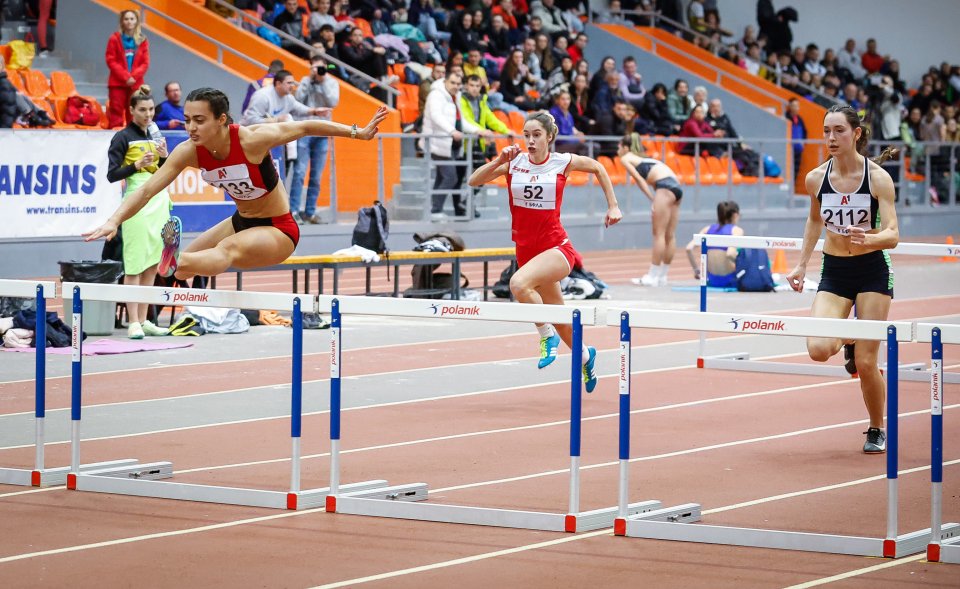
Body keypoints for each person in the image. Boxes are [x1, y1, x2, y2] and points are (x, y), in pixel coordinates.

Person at [84, 88, 388, 282]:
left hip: (278, 229)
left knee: (223, 249)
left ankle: (166, 260)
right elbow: (148, 189)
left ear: (221, 119)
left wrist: (357, 132)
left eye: (199, 120)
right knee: (190, 264)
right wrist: (114, 220)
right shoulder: (190, 151)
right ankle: (169, 264)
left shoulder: (252, 140)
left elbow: (305, 126)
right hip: (240, 221)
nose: (191, 127)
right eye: (187, 119)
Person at [467, 110, 622, 392]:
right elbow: (474, 180)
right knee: (562, 319)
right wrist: (499, 161)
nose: (531, 141)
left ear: (550, 137)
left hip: (557, 249)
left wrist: (613, 205)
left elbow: (599, 168)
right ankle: (587, 356)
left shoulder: (563, 162)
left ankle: (544, 335)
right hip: (527, 252)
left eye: (537, 135)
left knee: (517, 284)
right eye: (526, 135)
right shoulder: (515, 163)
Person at [785, 104, 900, 454]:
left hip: (872, 272)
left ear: (856, 134)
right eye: (826, 131)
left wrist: (871, 238)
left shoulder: (878, 177)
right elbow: (814, 221)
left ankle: (876, 428)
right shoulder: (816, 178)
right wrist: (801, 264)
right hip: (834, 270)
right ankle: (851, 336)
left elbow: (893, 234)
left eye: (839, 131)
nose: (831, 138)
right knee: (818, 349)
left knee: (867, 363)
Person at [105, 86, 172, 339]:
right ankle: (133, 321)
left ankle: (144, 320)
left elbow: (162, 172)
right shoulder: (122, 137)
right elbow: (112, 175)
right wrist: (135, 165)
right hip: (136, 199)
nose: (148, 114)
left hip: (158, 199)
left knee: (152, 264)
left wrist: (163, 158)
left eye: (151, 109)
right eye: (142, 110)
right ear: (131, 110)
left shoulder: (155, 136)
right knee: (134, 263)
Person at [618, 133, 683, 287]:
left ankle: (652, 276)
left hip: (664, 186)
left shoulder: (626, 158)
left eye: (619, 147)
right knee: (670, 235)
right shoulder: (645, 158)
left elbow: (639, 180)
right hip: (677, 186)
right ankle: (662, 276)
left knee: (659, 234)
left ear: (626, 148)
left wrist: (652, 199)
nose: (618, 150)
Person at [422, 71, 479, 220]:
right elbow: (436, 117)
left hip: (450, 144)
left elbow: (461, 121)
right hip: (437, 142)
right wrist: (452, 131)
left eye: (458, 84)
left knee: (442, 177)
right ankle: (435, 210)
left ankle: (434, 210)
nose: (456, 86)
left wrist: (478, 130)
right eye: (453, 83)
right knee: (450, 177)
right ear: (445, 81)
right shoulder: (436, 94)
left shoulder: (456, 96)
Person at [290, 54, 340, 225]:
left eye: (321, 67)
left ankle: (310, 212)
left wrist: (323, 80)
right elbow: (297, 100)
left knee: (316, 176)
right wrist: (309, 80)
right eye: (315, 67)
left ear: (325, 67)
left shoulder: (331, 82)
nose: (318, 70)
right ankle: (294, 210)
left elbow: (332, 101)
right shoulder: (305, 80)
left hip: (323, 132)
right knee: (299, 172)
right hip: (304, 130)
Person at [105, 9, 150, 128]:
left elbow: (145, 63)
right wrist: (126, 77)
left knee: (136, 113)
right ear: (122, 22)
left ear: (136, 21)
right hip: (117, 83)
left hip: (135, 84)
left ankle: (134, 139)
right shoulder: (114, 38)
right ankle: (116, 141)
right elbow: (111, 60)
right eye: (126, 19)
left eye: (132, 19)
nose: (129, 22)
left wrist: (133, 77)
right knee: (116, 112)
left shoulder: (142, 40)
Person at [684, 200, 742, 286]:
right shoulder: (736, 230)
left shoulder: (707, 229)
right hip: (731, 280)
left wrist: (696, 271)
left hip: (712, 280)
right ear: (735, 215)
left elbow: (688, 248)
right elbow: (730, 254)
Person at [241, 70, 324, 125]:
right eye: (289, 83)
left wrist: (315, 111)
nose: (292, 86)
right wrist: (276, 120)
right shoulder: (262, 96)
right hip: (248, 137)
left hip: (266, 138)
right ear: (278, 84)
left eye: (293, 83)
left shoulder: (288, 98)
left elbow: (299, 108)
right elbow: (250, 121)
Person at [786, 97, 807, 180]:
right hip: (788, 149)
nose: (796, 108)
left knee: (796, 169)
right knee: (788, 168)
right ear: (790, 106)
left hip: (798, 149)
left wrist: (803, 142)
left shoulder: (800, 119)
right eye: (794, 105)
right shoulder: (786, 117)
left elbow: (805, 131)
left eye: (797, 106)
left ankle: (793, 186)